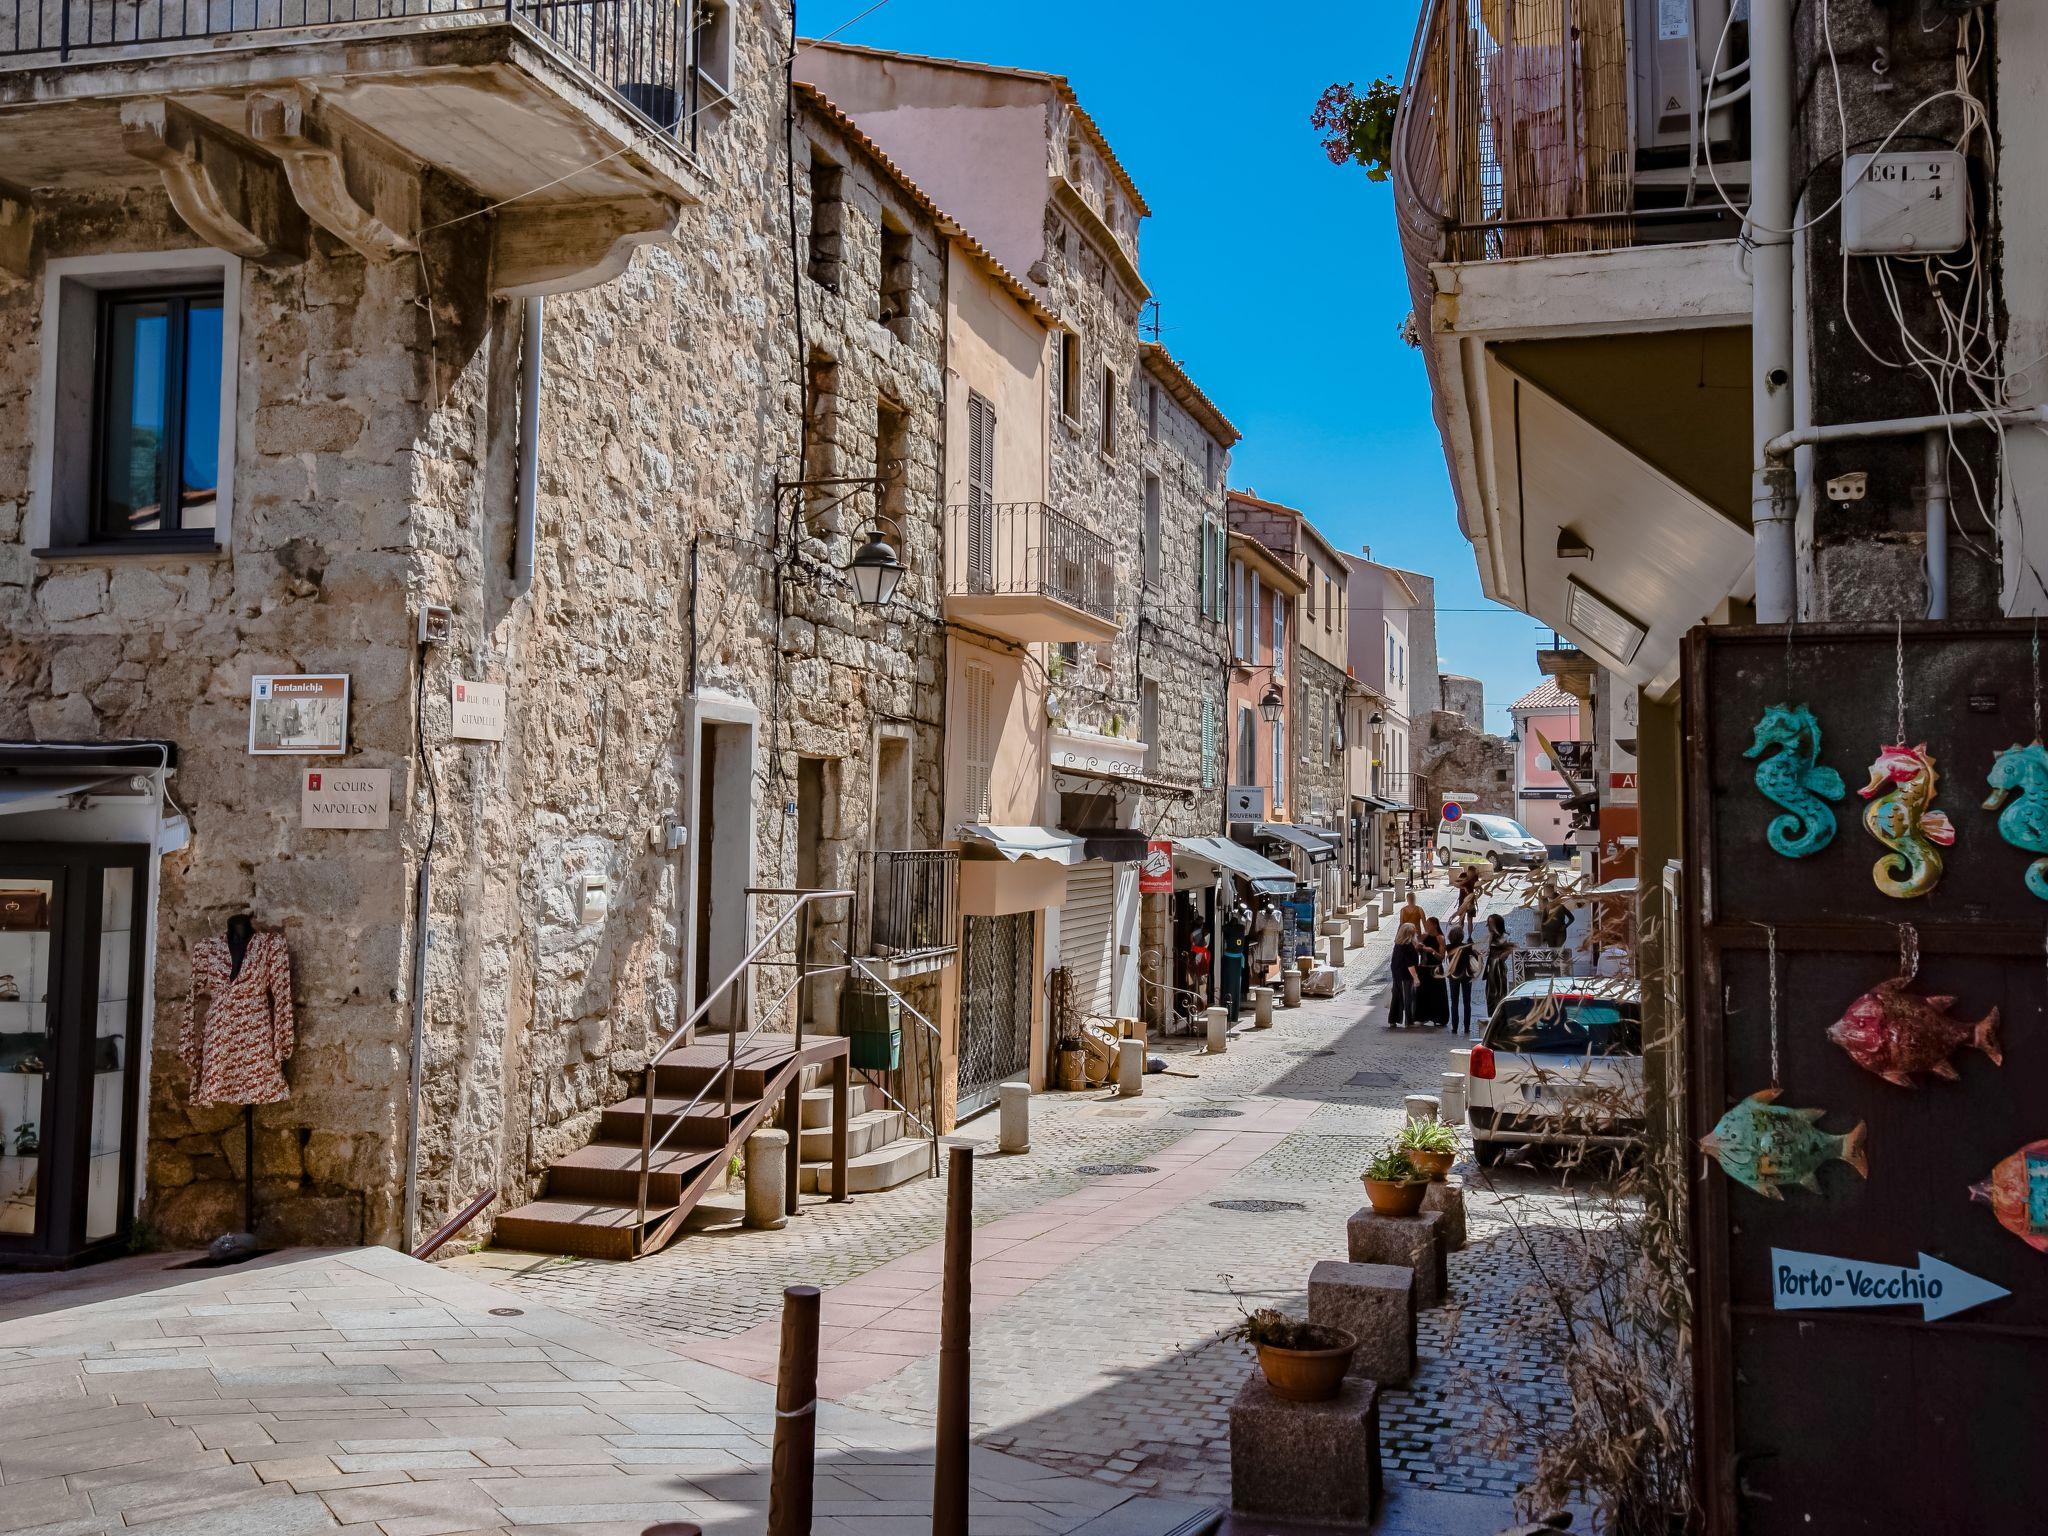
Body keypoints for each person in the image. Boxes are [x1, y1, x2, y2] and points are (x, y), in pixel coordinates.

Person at [1414, 916, 1451, 1027]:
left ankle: (1438, 1017)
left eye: (1429, 925)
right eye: (1427, 925)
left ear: (1435, 925)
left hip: (1435, 969)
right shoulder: (1424, 936)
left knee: (1437, 994)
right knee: (1422, 993)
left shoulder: (1440, 938)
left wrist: (1432, 951)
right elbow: (1416, 947)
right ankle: (1422, 1016)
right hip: (1424, 968)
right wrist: (1418, 947)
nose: (1427, 927)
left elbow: (1441, 957)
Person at [1446, 922, 1481, 1034]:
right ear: (1462, 936)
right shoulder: (1467, 947)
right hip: (1466, 976)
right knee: (1467, 1002)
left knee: (1454, 1002)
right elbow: (1476, 957)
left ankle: (1454, 1027)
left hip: (1453, 976)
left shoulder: (1449, 947)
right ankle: (1466, 1027)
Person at [1388, 922, 1420, 1028]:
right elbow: (1410, 965)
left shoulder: (1398, 944)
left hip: (1397, 974)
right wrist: (1415, 978)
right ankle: (1409, 1021)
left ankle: (1393, 1019)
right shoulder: (1408, 947)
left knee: (1397, 997)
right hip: (1405, 976)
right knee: (1408, 998)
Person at [1484, 912, 1516, 1013]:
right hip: (1491, 970)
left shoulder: (1503, 937)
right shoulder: (1492, 936)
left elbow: (1515, 947)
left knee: (1499, 994)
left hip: (1498, 969)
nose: (1489, 926)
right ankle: (1491, 1017)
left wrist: (1504, 955)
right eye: (1488, 923)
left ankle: (1499, 1017)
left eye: (1491, 924)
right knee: (1490, 995)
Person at [1252, 900, 1284, 984]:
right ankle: (1262, 978)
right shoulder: (1260, 914)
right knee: (1262, 958)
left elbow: (1280, 928)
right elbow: (1257, 927)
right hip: (1264, 938)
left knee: (1267, 959)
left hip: (1272, 939)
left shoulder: (1278, 914)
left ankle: (1264, 979)